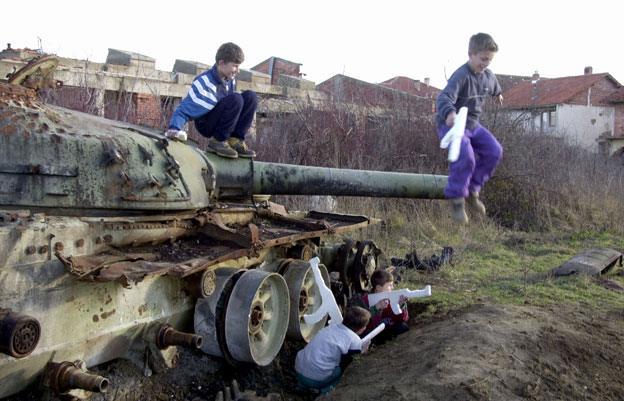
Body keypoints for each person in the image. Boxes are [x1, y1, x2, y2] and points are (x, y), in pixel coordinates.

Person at [436, 32, 504, 223]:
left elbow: (494, 84)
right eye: (482, 59)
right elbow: (443, 97)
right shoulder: (461, 76)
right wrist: (449, 113)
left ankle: (473, 191)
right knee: (466, 156)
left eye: (489, 61)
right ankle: (457, 199)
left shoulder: (488, 76)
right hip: (453, 126)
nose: (485, 64)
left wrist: (498, 94)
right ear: (471, 54)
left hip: (473, 125)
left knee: (494, 151)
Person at [165, 42, 257, 159]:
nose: (238, 70)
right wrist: (174, 129)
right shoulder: (204, 82)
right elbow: (183, 110)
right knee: (236, 99)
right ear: (221, 63)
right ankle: (218, 141)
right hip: (206, 124)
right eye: (235, 66)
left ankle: (235, 140)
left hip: (221, 118)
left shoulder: (229, 79)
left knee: (251, 97)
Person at [295, 306, 371, 394]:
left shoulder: (331, 327)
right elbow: (348, 364)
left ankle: (301, 386)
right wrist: (362, 352)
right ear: (362, 329)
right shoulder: (355, 340)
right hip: (315, 379)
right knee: (341, 371)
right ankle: (325, 392)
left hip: (298, 369)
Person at [351, 269, 409, 345]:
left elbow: (402, 319)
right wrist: (376, 308)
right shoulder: (363, 301)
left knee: (403, 327)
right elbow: (360, 325)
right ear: (378, 288)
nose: (393, 288)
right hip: (372, 333)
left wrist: (400, 305)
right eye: (389, 285)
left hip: (385, 330)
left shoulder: (391, 297)